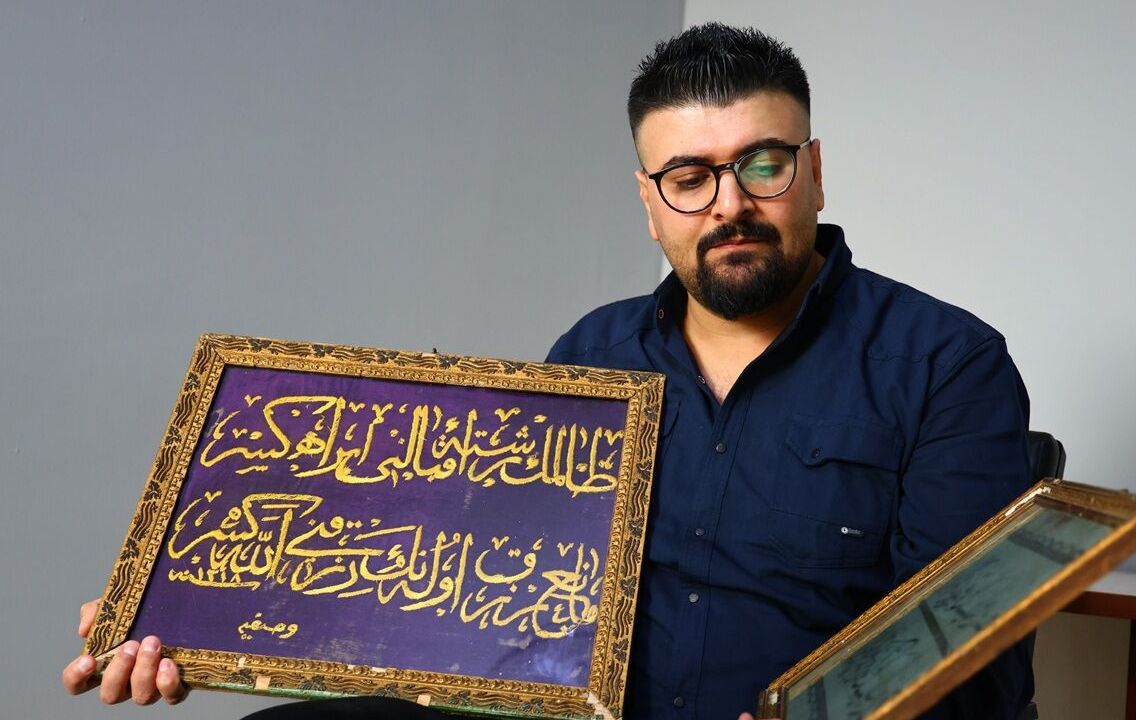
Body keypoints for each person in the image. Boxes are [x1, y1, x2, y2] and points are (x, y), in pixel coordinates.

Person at [64, 22, 1034, 720]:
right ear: (649, 203)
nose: (728, 204)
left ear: (813, 170)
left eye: (762, 165)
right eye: (689, 178)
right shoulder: (591, 358)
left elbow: (957, 651)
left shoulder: (946, 364)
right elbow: (451, 588)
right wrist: (200, 621)